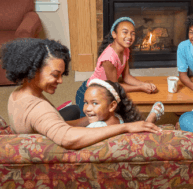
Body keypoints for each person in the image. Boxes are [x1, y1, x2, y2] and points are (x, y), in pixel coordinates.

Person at [1, 38, 162, 150]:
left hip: (38, 132)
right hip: (52, 150)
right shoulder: (37, 109)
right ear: (34, 70)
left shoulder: (17, 94)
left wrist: (92, 118)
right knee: (74, 111)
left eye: (61, 75)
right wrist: (126, 127)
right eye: (55, 74)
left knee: (73, 110)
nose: (61, 81)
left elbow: (58, 124)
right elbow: (67, 138)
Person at [76, 17, 157, 117]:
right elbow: (115, 87)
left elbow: (126, 77)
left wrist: (144, 84)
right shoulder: (109, 58)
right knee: (89, 127)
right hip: (89, 93)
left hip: (105, 90)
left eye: (133, 33)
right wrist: (140, 87)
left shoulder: (125, 50)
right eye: (125, 32)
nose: (130, 37)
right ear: (114, 34)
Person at [84, 79, 164, 128]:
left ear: (112, 106)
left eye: (94, 103)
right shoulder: (118, 118)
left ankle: (148, 122)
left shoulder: (94, 128)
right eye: (86, 103)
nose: (87, 108)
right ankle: (149, 121)